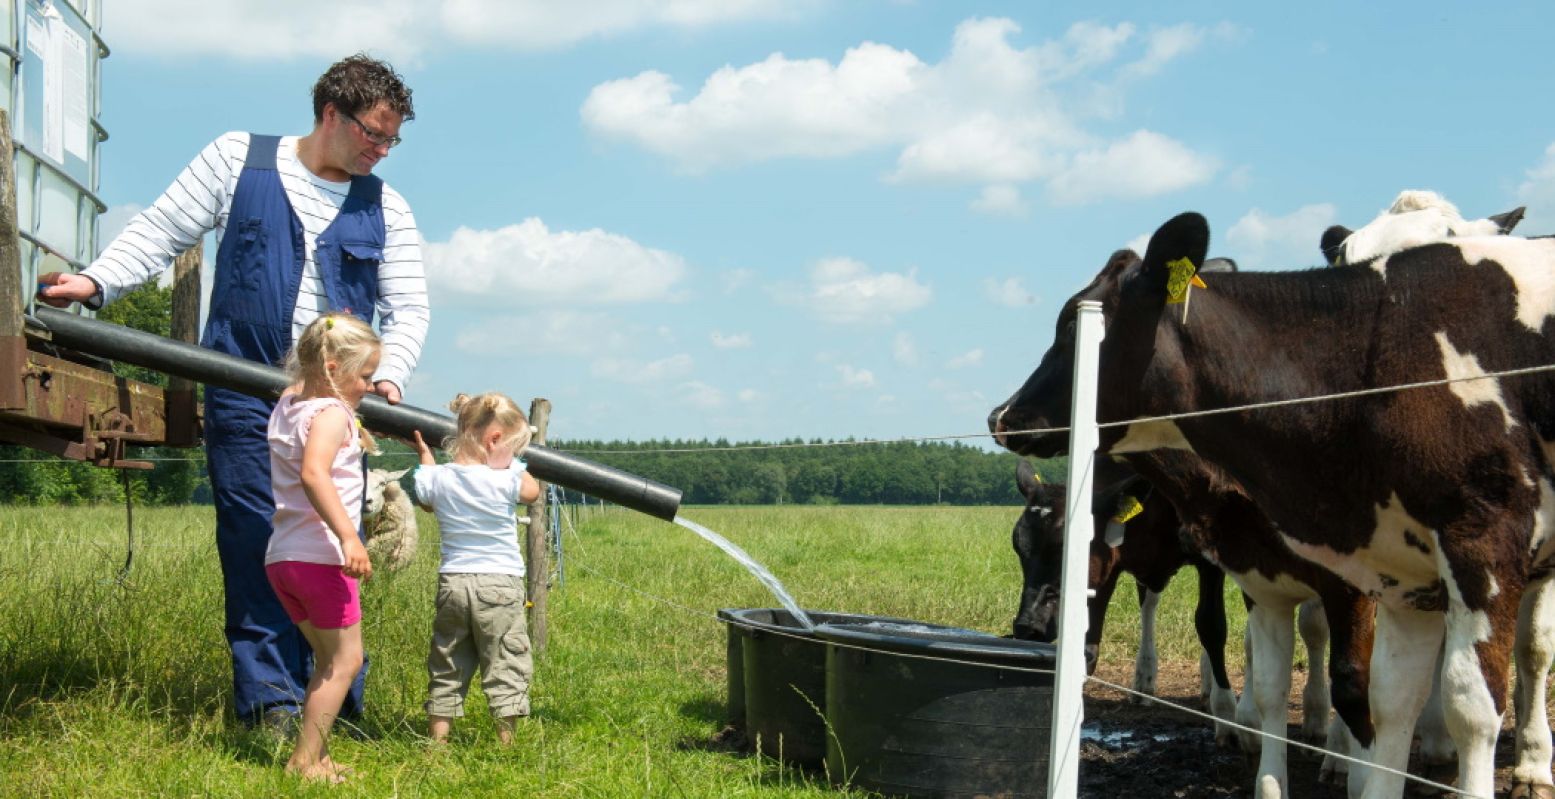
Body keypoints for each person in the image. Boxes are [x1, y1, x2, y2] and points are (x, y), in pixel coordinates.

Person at [36, 54, 430, 728]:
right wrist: (96, 284)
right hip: (244, 391)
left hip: (336, 406)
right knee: (256, 538)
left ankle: (336, 703)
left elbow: (409, 306)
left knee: (332, 547)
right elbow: (161, 230)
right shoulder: (237, 159)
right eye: (372, 133)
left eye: (392, 139)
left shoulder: (385, 203)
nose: (381, 149)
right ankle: (271, 701)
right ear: (330, 112)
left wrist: (389, 373)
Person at [266, 313, 378, 782]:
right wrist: (350, 537)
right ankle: (302, 763)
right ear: (333, 367)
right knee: (345, 660)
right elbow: (314, 472)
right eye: (365, 376)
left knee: (328, 662)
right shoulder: (332, 416)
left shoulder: (289, 404)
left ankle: (317, 753)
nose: (369, 386)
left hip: (284, 558)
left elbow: (300, 385)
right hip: (323, 558)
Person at [410, 393, 541, 744]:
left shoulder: (439, 479)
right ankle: (507, 742)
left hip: (453, 584)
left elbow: (424, 497)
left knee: (448, 662)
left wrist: (425, 455)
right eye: (513, 448)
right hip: (499, 583)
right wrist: (511, 464)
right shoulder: (503, 478)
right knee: (504, 659)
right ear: (494, 440)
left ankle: (437, 744)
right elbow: (532, 491)